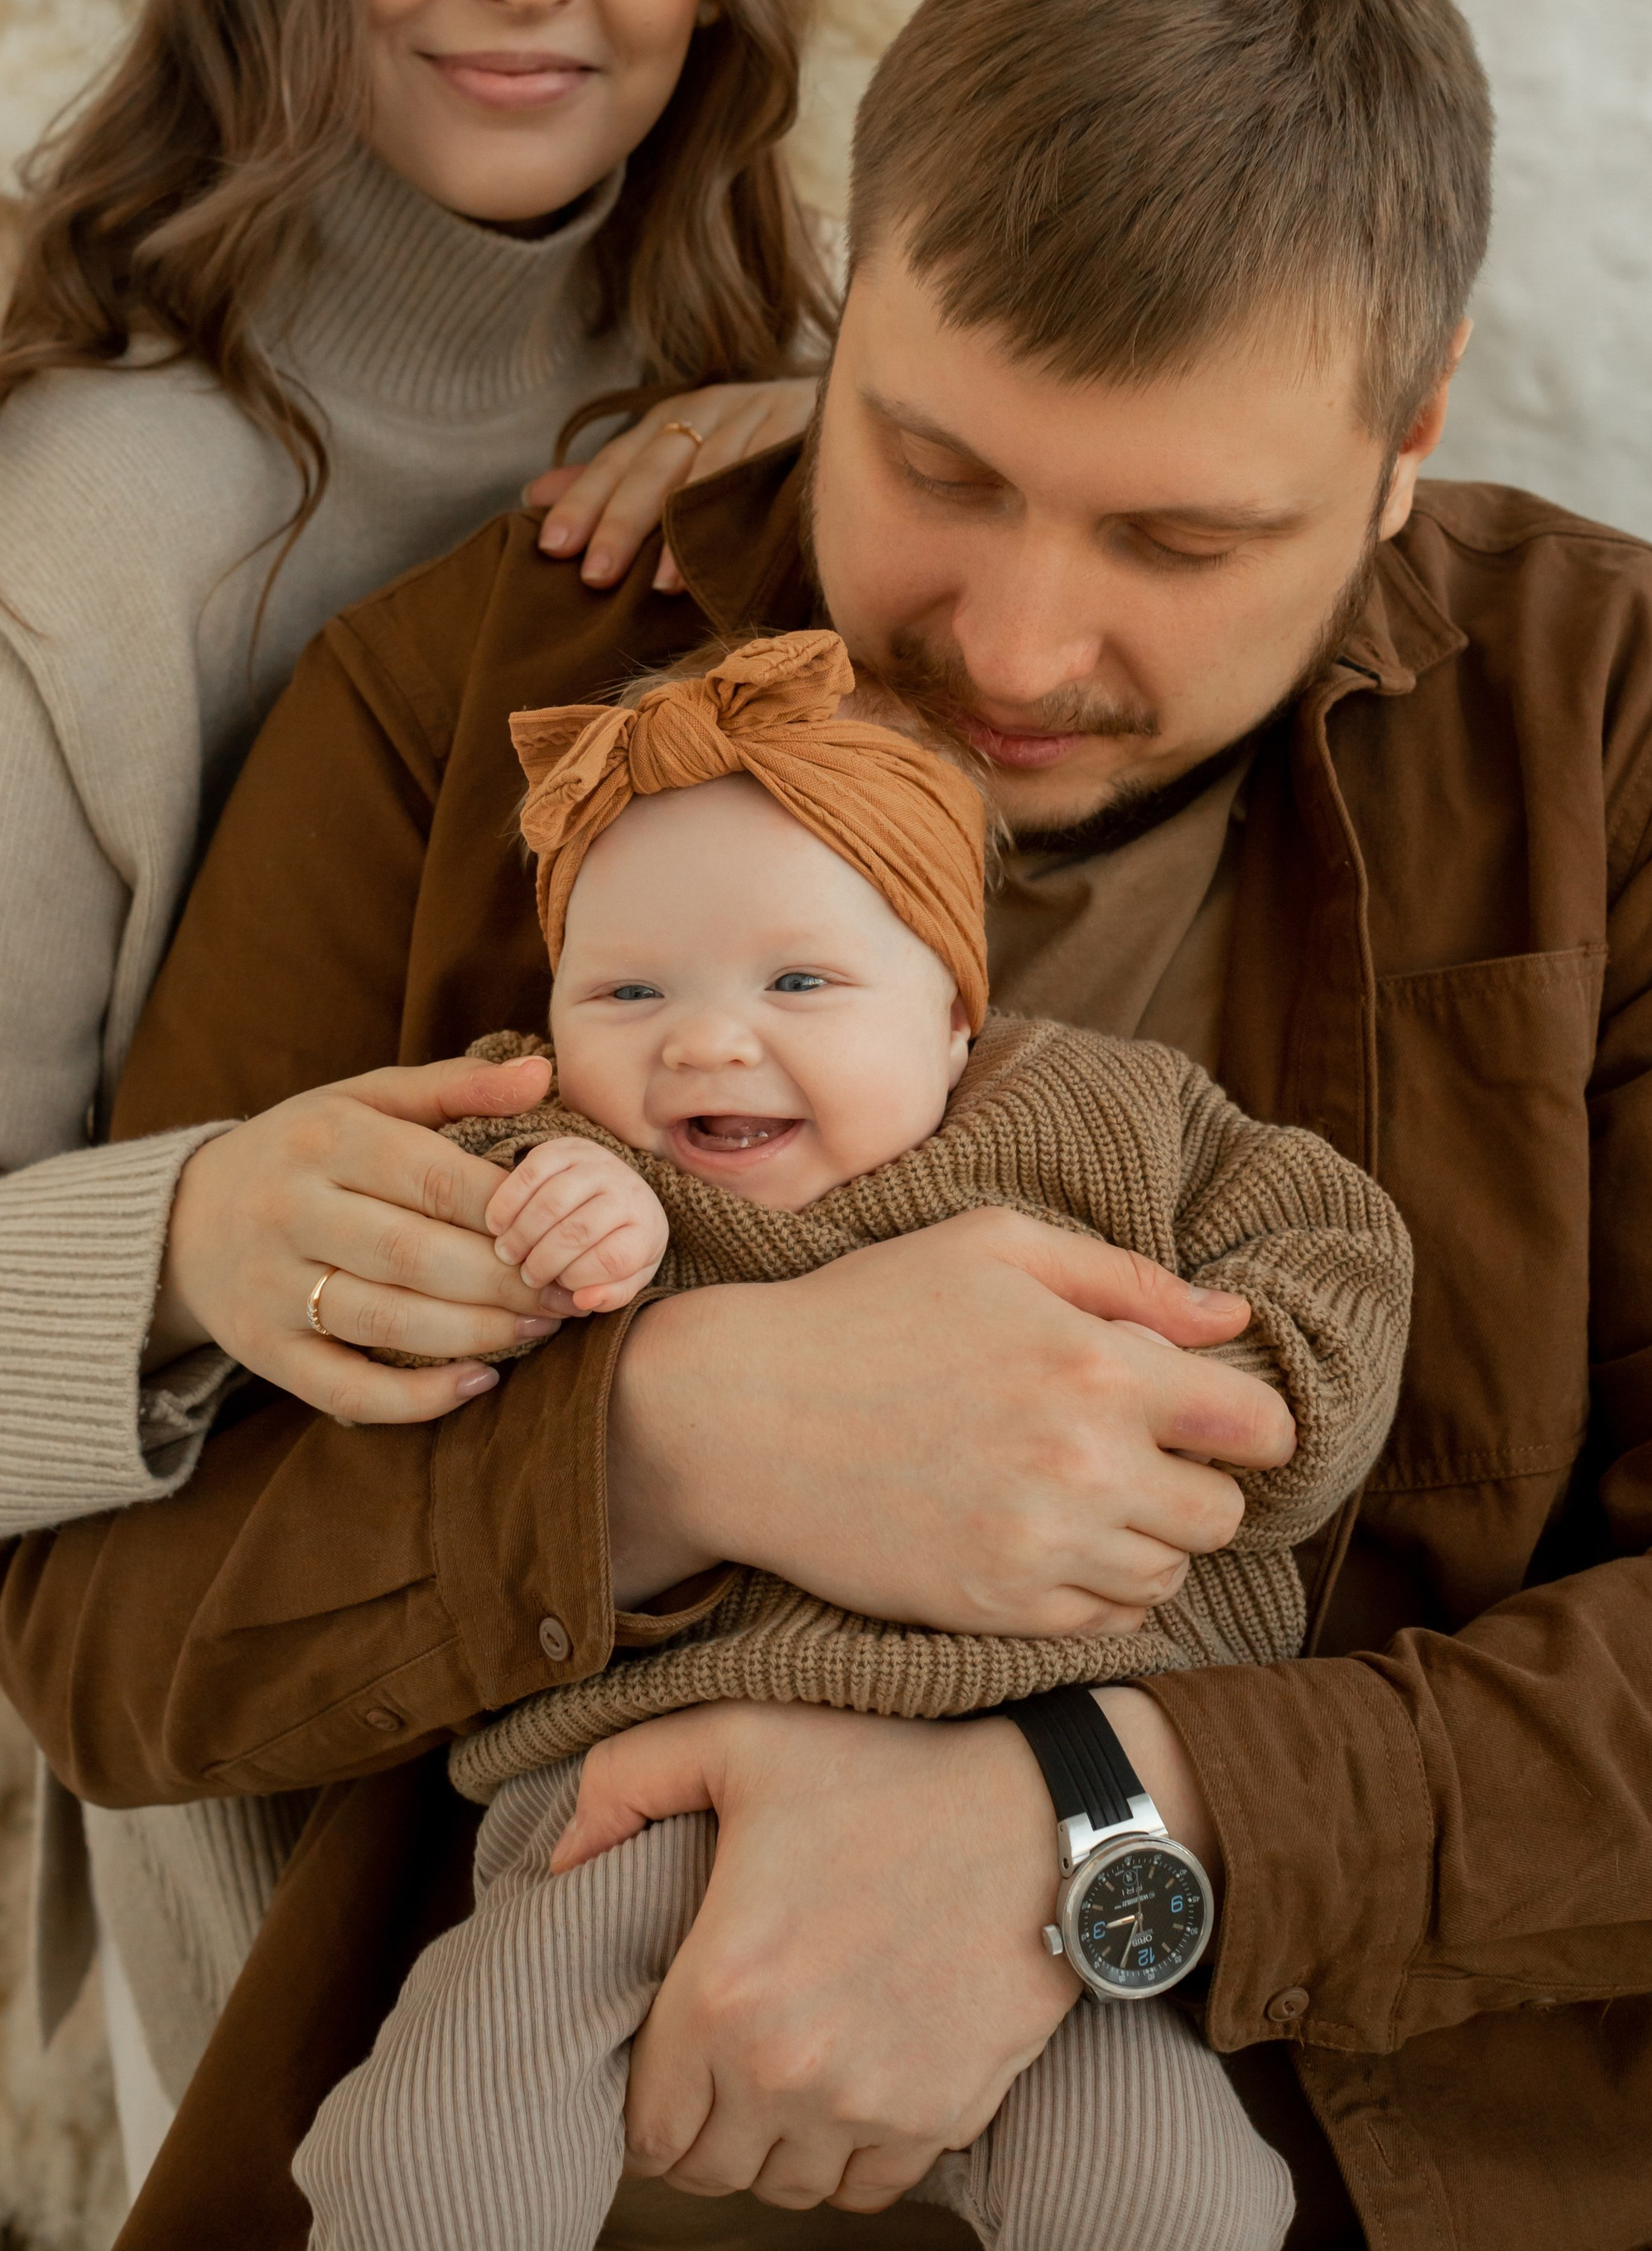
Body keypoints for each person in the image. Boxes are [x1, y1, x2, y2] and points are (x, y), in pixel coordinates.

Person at [0, 0, 1652, 2251]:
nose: (1012, 642)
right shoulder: (486, 702)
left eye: (1179, 546)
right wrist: (663, 1452)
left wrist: (1107, 1817)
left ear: (1414, 435)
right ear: (843, 315)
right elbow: (100, 1634)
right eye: (934, 463)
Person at [0, 0, 831, 2172]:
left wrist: (880, 465)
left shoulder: (805, 426)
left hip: (802, 1826)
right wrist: (198, 1238)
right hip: (305, 1913)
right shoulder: (98, 517)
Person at [293, 625, 1409, 2251]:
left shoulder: (1107, 1121)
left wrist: (1240, 1400)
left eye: (799, 981)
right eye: (624, 989)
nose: (704, 1040)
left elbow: (1328, 1240)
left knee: (1171, 2189)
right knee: (432, 2148)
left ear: (953, 1013)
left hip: (1022, 1814)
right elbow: (411, 1319)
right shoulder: (558, 1138)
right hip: (631, 1790)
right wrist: (549, 1222)